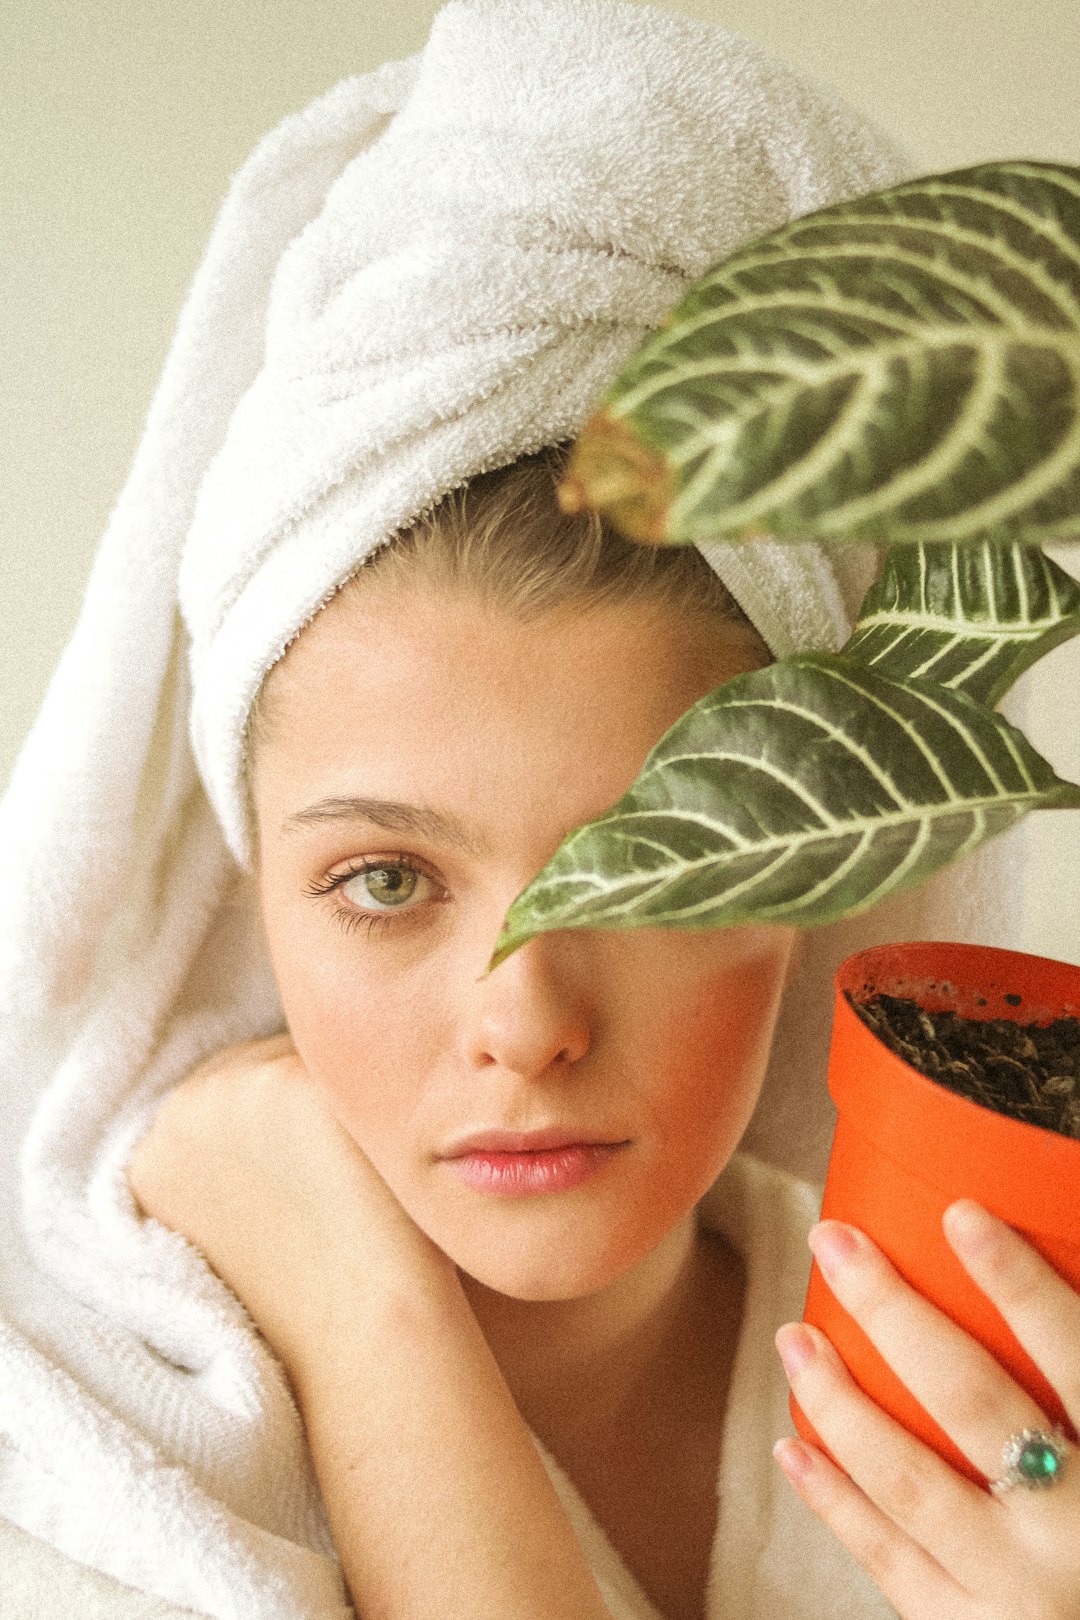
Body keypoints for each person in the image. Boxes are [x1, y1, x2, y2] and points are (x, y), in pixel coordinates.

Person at [1, 3, 1075, 1619]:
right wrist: (366, 1326)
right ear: (247, 874)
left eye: (657, 865)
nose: (527, 1020)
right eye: (383, 880)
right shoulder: (74, 1466)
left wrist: (368, 1306)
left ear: (818, 855)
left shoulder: (1003, 1422)